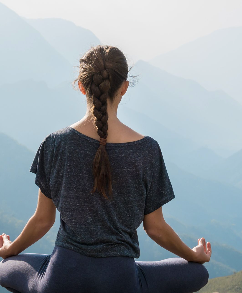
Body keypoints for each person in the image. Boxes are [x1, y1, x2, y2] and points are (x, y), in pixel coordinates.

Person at [0, 45, 211, 293]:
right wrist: (193, 254)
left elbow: (43, 221)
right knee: (198, 273)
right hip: (120, 281)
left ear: (81, 85)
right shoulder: (147, 150)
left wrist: (9, 249)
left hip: (61, 279)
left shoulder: (55, 143)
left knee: (6, 267)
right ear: (124, 87)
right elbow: (155, 228)